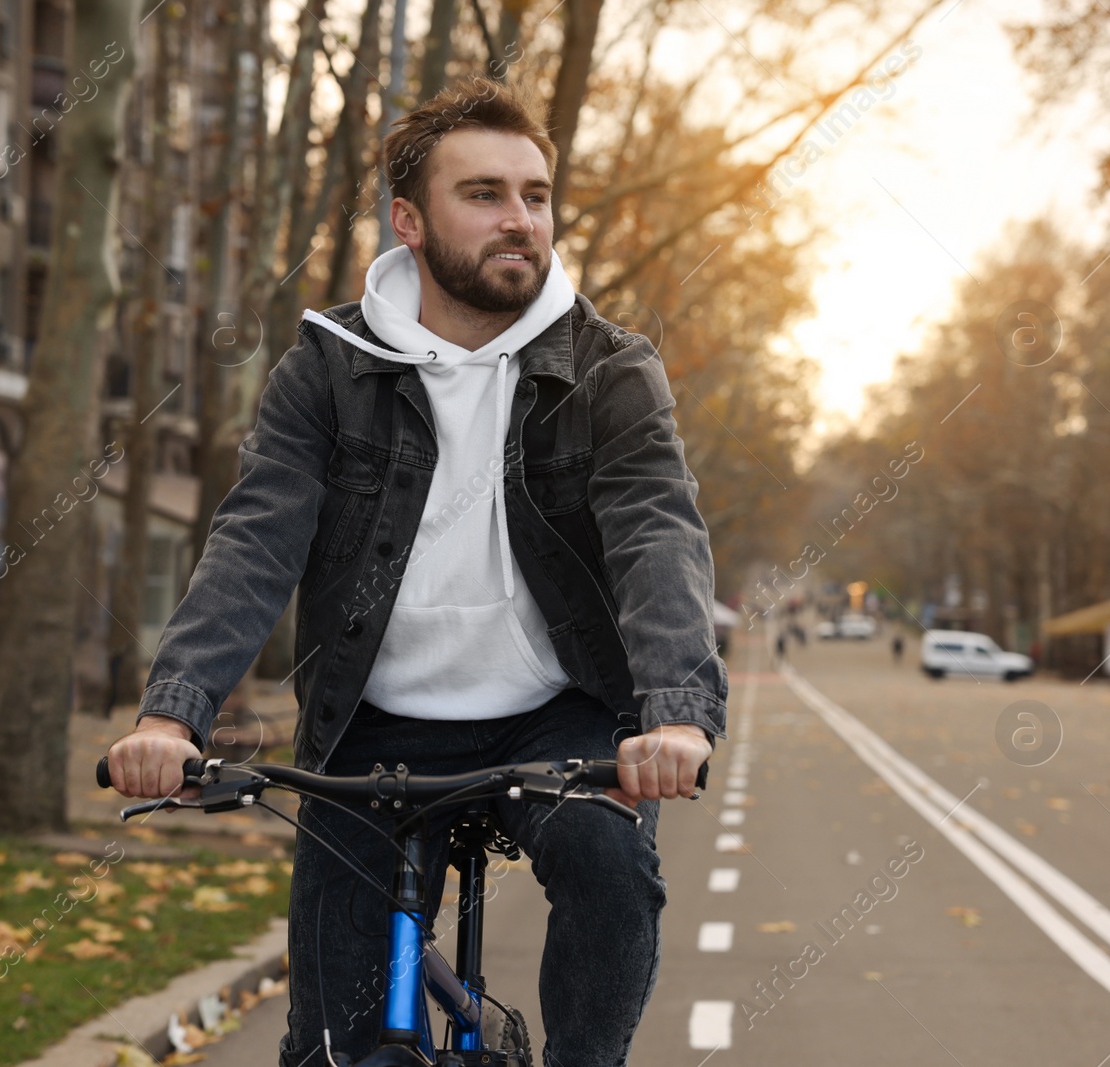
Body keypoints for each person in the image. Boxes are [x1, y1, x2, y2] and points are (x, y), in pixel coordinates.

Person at [103, 75, 727, 1067]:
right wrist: (172, 713)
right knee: (331, 1049)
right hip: (374, 720)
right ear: (409, 221)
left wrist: (674, 712)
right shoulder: (325, 368)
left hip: (556, 712)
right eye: (483, 193)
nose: (519, 219)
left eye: (534, 194)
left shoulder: (609, 370)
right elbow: (257, 536)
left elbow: (656, 532)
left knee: (611, 865)